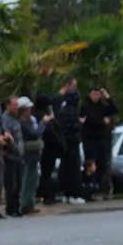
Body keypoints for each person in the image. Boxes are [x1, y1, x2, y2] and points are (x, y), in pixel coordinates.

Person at [80, 86, 118, 197]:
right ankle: (88, 187)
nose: (95, 96)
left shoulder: (103, 106)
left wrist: (108, 97)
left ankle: (100, 187)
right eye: (93, 94)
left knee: (103, 164)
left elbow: (115, 109)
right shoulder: (85, 106)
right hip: (90, 140)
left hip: (102, 139)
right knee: (90, 165)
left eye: (98, 94)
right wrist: (102, 121)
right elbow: (89, 119)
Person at [56, 76, 85, 205]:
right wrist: (80, 123)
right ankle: (73, 194)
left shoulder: (62, 110)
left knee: (66, 168)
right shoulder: (72, 112)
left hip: (64, 144)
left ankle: (66, 193)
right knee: (74, 169)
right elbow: (72, 127)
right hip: (72, 143)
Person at [18, 96, 49, 215]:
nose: (29, 111)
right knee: (27, 180)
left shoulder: (31, 120)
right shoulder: (22, 122)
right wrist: (43, 123)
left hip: (35, 153)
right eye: (27, 109)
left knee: (33, 180)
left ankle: (30, 203)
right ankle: (24, 204)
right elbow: (34, 134)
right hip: (27, 153)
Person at [1, 95, 24, 217]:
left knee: (19, 183)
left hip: (18, 156)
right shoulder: (5, 119)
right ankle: (10, 208)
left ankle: (16, 207)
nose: (16, 107)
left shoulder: (16, 118)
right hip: (10, 156)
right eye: (14, 105)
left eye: (17, 105)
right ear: (8, 105)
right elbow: (7, 137)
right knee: (11, 184)